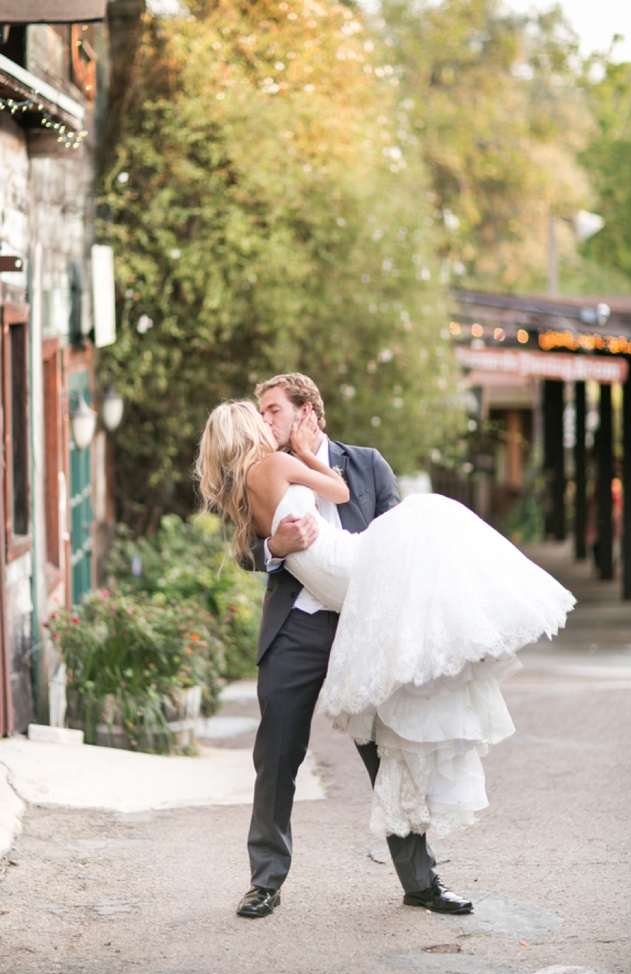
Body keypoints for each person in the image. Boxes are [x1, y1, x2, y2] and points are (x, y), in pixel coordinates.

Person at [195, 376, 575, 920]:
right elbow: (246, 548)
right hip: (298, 626)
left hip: (367, 625)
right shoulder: (258, 469)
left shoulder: (366, 463)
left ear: (308, 412)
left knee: (393, 746)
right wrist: (273, 548)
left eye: (275, 410)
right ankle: (265, 882)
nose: (266, 420)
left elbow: (398, 540)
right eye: (261, 413)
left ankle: (421, 881)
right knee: (276, 755)